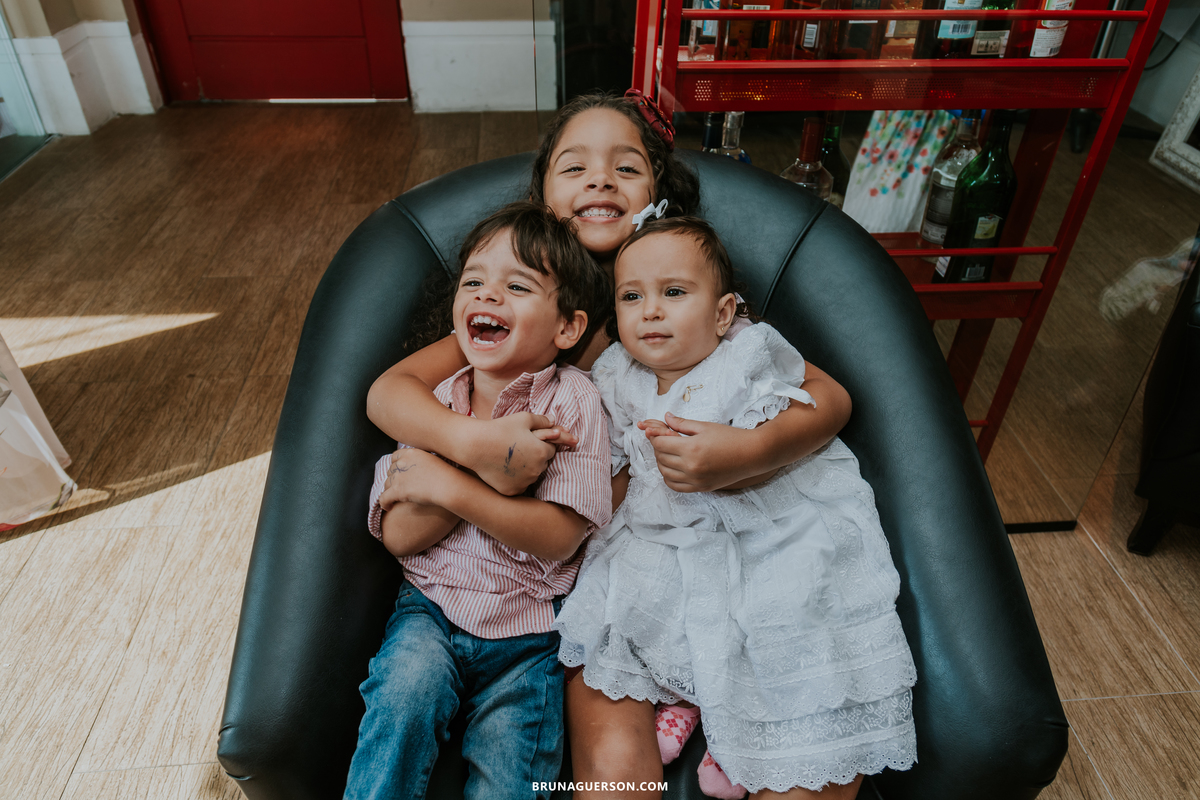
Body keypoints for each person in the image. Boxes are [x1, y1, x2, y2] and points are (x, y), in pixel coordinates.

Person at [365, 91, 856, 795]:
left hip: (710, 525)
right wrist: (471, 446)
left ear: (659, 194)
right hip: (597, 561)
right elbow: (389, 393)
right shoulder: (516, 308)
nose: (599, 180)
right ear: (542, 198)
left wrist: (741, 454)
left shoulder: (681, 295)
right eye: (576, 167)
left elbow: (829, 395)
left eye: (625, 168)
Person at [555, 217, 918, 800]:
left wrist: (746, 454)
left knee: (790, 615)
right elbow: (610, 463)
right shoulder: (615, 373)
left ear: (723, 314)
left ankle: (741, 730)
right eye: (631, 296)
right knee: (616, 615)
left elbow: (816, 406)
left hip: (764, 530)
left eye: (673, 293)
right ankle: (691, 705)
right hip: (658, 536)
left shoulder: (748, 353)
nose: (649, 310)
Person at [344, 202, 614, 800]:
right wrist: (481, 462)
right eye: (473, 282)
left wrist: (449, 486)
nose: (487, 295)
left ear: (567, 328)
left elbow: (560, 535)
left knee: (511, 776)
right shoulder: (437, 401)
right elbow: (399, 536)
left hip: (530, 638)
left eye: (516, 286)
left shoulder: (573, 402)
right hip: (429, 610)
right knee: (402, 699)